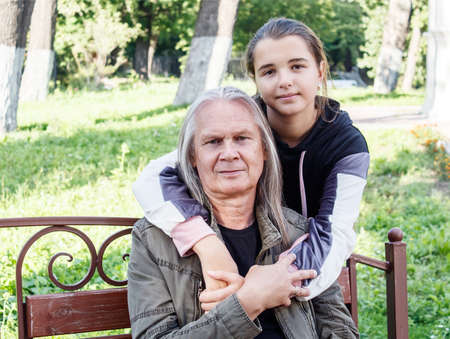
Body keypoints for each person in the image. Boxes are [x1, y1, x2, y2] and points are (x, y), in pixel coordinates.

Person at [132, 18, 369, 299]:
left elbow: (335, 236)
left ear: (319, 71)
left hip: (300, 275)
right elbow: (152, 178)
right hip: (231, 255)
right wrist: (206, 242)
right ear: (255, 79)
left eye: (297, 66)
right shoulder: (241, 124)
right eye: (269, 71)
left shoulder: (347, 147)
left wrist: (259, 290)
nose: (285, 81)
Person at [127, 87, 358, 338]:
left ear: (265, 150)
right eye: (213, 141)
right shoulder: (153, 240)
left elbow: (340, 330)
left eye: (242, 138)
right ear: (193, 155)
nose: (229, 154)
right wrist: (249, 301)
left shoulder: (297, 233)